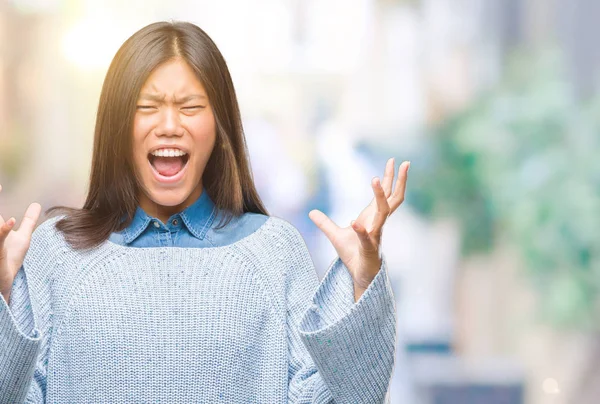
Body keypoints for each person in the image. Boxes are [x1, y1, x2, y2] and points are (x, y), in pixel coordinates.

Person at [0, 21, 409, 403]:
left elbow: (338, 396)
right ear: (116, 123)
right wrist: (2, 294)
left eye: (190, 107)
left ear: (219, 126)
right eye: (148, 106)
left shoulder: (274, 251)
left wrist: (362, 284)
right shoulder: (57, 253)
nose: (169, 125)